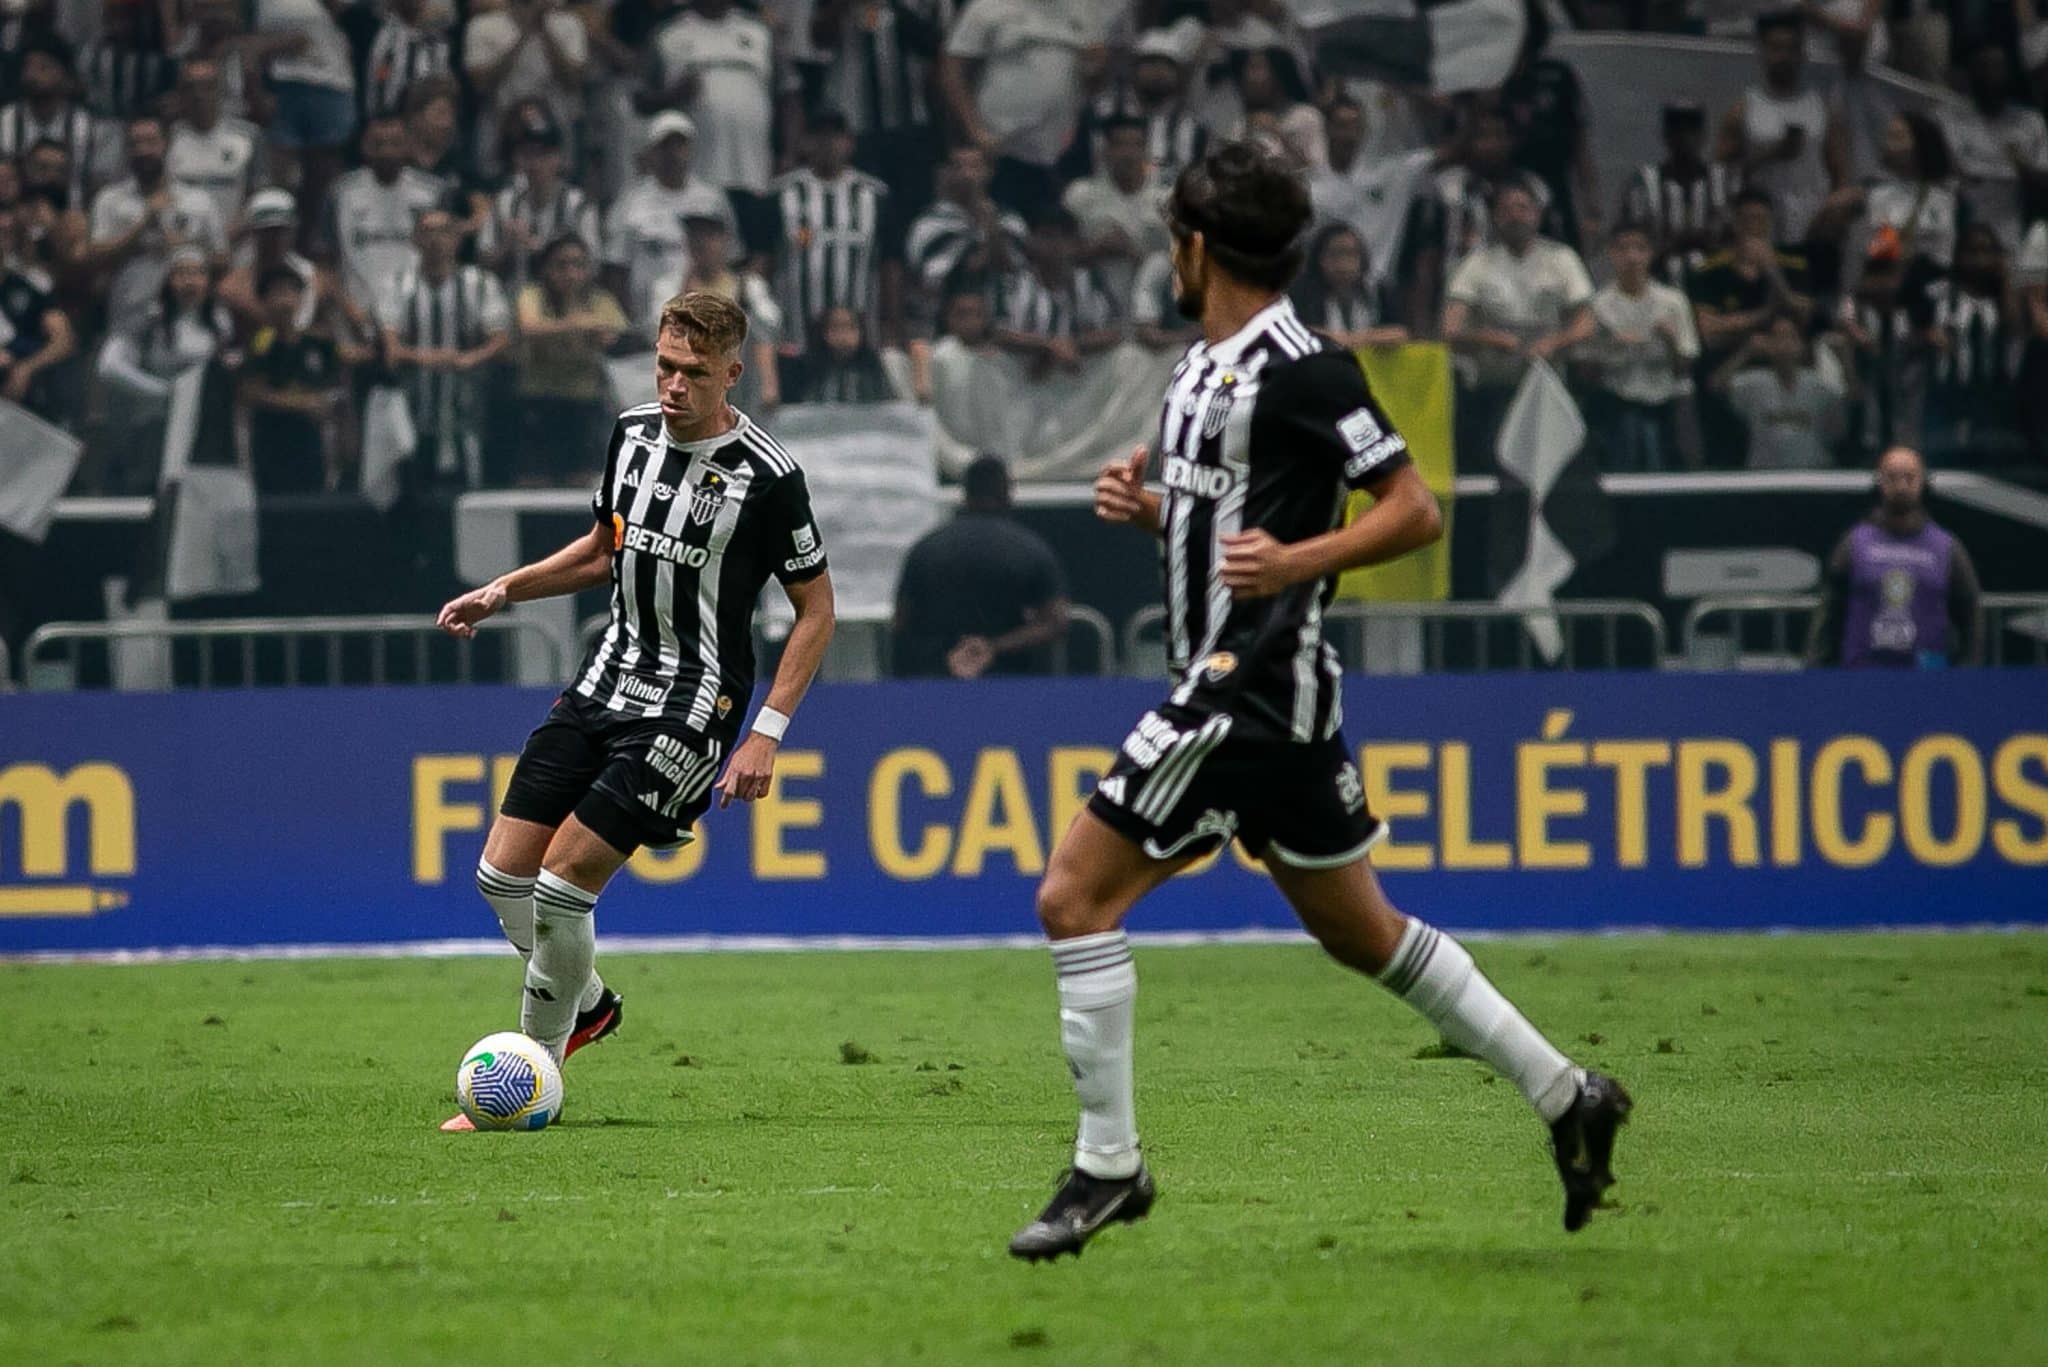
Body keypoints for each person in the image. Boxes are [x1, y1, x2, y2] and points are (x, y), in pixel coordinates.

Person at [1005, 141, 1628, 1262]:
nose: (1170, 256)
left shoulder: (1306, 369)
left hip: (1243, 686)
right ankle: (1568, 1093)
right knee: (1363, 933)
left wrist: (1298, 563)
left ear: (1198, 248)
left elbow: (1413, 508)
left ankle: (1108, 1164)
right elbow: (1235, 517)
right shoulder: (1202, 368)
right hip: (1273, 700)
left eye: (1174, 239)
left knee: (1071, 896)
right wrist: (1154, 511)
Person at [432, 289, 836, 1130]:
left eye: (694, 372)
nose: (674, 385)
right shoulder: (631, 434)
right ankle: (588, 1001)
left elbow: (816, 608)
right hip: (604, 680)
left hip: (692, 703)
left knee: (560, 886)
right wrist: (504, 590)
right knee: (500, 876)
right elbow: (602, 549)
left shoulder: (769, 476)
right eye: (664, 366)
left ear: (732, 372)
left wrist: (766, 732)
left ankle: (532, 1074)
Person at [1439, 182, 1596, 470]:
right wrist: (1488, 338)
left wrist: (1554, 342)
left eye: (1523, 208)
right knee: (1493, 470)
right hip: (1493, 389)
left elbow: (1587, 323)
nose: (1515, 215)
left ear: (1538, 214)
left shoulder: (1561, 259)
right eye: (1506, 209)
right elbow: (1449, 329)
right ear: (1495, 217)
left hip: (1549, 387)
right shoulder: (1477, 264)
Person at [1806, 445, 1982, 667]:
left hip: (1928, 677)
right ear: (1879, 482)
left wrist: (1970, 667)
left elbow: (1970, 614)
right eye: (1892, 477)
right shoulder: (1853, 545)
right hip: (1863, 676)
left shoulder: (1947, 548)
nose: (1901, 486)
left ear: (1923, 482)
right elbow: (1828, 616)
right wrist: (1815, 668)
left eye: (1909, 477)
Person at [892, 453, 1065, 677]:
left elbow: (901, 621)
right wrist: (993, 646)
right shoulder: (1031, 550)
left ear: (965, 494)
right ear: (1007, 493)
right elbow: (1054, 623)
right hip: (1011, 681)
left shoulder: (926, 549)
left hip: (935, 679)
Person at [381, 207, 513, 490]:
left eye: (444, 232)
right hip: (413, 406)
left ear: (457, 239)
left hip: (467, 407)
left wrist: (470, 358)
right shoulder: (397, 284)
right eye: (428, 232)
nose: (436, 240)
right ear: (415, 239)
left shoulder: (480, 284)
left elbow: (501, 339)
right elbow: (391, 348)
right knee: (412, 486)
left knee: (469, 484)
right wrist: (439, 358)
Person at [939, 0, 1100, 212]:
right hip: (1002, 148)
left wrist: (1096, 69)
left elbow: (1095, 77)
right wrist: (974, 131)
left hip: (1062, 151)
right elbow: (952, 71)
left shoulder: (1082, 8)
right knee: (1004, 223)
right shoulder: (985, 7)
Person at [770, 111, 899, 357]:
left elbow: (890, 265)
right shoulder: (781, 194)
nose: (828, 143)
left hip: (861, 339)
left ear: (849, 143)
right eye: (820, 136)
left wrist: (892, 324)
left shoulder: (875, 195)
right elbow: (765, 263)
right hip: (796, 339)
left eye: (835, 136)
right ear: (805, 142)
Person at [1718, 10, 1844, 248]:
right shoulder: (1744, 109)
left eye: (1791, 49)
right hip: (1760, 229)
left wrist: (1831, 219)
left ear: (1802, 54)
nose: (1784, 56)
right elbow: (1721, 173)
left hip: (1812, 227)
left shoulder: (1821, 108)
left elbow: (1839, 173)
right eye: (1776, 48)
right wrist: (1771, 152)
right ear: (1763, 53)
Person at [88, 115, 228, 327]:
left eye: (151, 142)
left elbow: (221, 259)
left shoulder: (198, 200)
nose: (143, 150)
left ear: (166, 144)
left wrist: (185, 248)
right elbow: (95, 256)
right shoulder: (109, 199)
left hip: (187, 320)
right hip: (128, 313)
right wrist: (142, 225)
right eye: (135, 144)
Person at [1585, 220, 1701, 472]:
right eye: (1623, 249)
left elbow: (1685, 366)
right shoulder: (1598, 305)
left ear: (1650, 254)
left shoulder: (1673, 301)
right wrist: (1610, 346)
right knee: (1627, 431)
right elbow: (1588, 373)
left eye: (1639, 248)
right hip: (1617, 398)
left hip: (1665, 399)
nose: (1632, 257)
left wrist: (1671, 341)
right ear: (1611, 254)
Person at [602, 111, 734, 330]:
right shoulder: (629, 203)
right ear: (651, 152)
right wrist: (627, 321)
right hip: (646, 321)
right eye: (665, 146)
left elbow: (729, 260)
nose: (673, 154)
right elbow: (615, 269)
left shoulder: (712, 200)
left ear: (691, 149)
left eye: (680, 145)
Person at [513, 232, 627, 484]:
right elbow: (529, 328)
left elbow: (616, 335)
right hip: (539, 398)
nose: (570, 273)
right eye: (561, 265)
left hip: (584, 401)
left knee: (582, 480)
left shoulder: (601, 300)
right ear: (546, 268)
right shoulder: (533, 295)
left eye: (578, 265)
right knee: (535, 481)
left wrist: (593, 331)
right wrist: (579, 325)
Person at [1308, 95, 1433, 325]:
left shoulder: (1390, 173)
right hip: (1321, 292)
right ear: (1327, 130)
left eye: (1355, 126)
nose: (1349, 135)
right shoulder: (1310, 186)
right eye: (1341, 126)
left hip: (1376, 291)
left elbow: (1446, 156)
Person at [638, 0, 778, 196]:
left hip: (753, 170)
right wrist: (673, 95)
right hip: (695, 174)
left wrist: (788, 153)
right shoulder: (667, 34)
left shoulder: (760, 32)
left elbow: (788, 94)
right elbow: (641, 101)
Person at [1913, 222, 2025, 467]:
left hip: (1991, 393)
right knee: (1941, 458)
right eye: (1973, 252)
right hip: (1946, 389)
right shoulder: (1938, 293)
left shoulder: (2002, 299)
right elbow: (1910, 335)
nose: (1979, 260)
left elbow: (2015, 327)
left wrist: (2004, 276)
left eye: (1987, 251)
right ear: (1960, 255)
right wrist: (1928, 336)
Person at [322, 111, 444, 318]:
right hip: (357, 313)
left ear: (408, 144)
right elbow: (324, 264)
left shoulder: (432, 193)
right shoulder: (340, 193)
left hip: (415, 314)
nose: (387, 152)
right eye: (378, 144)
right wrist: (350, 310)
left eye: (395, 143)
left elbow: (444, 260)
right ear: (364, 146)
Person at [240, 263, 344, 493]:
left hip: (312, 445)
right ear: (264, 301)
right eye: (277, 292)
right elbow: (250, 392)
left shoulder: (319, 343)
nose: (285, 300)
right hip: (271, 446)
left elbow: (335, 388)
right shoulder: (260, 342)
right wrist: (301, 403)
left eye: (291, 291)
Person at [1938, 46, 2048, 252]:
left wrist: (2025, 169)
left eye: (1997, 67)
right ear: (1970, 72)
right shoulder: (1948, 117)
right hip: (1958, 220)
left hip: (2010, 227)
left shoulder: (2031, 122)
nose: (1990, 75)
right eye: (1983, 67)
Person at [462, 0, 588, 178]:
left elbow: (574, 82)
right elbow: (480, 83)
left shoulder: (569, 24)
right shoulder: (483, 25)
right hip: (500, 123)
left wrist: (544, 31)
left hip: (556, 122)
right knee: (494, 183)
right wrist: (524, 34)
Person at [478, 108, 601, 289]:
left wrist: (539, 248)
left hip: (565, 300)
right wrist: (506, 246)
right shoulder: (505, 203)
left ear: (559, 158)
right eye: (528, 154)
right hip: (515, 297)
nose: (535, 163)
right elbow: (484, 263)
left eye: (544, 155)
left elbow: (592, 267)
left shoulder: (578, 205)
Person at [1622, 103, 1738, 290]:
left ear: (1703, 135)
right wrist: (1673, 244)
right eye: (1677, 130)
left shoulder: (1723, 182)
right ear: (1666, 135)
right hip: (1658, 283)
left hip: (1714, 283)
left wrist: (1708, 244)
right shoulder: (1644, 183)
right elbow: (1630, 238)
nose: (1685, 137)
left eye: (1691, 130)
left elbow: (1736, 237)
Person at [1061, 112, 1168, 314]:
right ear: (1106, 151)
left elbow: (1180, 272)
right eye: (1120, 145)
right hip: (1092, 309)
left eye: (1136, 145)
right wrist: (1096, 249)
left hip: (1151, 312)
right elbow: (1059, 256)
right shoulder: (1080, 195)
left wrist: (1130, 251)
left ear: (1146, 150)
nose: (1128, 153)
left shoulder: (1166, 200)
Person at [1711, 311, 1847, 469]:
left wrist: (1845, 361)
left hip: (1810, 470)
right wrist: (1746, 352)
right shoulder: (1754, 383)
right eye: (1778, 337)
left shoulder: (1818, 384)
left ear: (1802, 346)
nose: (1785, 344)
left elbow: (1842, 422)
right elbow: (1716, 384)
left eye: (1791, 337)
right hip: (1765, 473)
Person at [167, 58, 265, 234]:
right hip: (183, 241)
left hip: (235, 237)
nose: (199, 95)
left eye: (207, 87)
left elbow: (258, 192)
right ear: (181, 94)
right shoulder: (169, 137)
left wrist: (230, 233)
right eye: (191, 88)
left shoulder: (248, 135)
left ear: (220, 90)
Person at [1291, 222, 1405, 349]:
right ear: (1320, 258)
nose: (1344, 263)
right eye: (1336, 254)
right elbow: (1299, 331)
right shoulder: (1301, 292)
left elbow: (1399, 332)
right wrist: (1344, 339)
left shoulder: (1378, 291)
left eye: (1351, 254)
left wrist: (1358, 339)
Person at [786, 303, 897, 403]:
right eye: (836, 327)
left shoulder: (872, 364)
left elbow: (884, 404)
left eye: (851, 327)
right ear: (824, 333)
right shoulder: (808, 366)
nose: (843, 335)